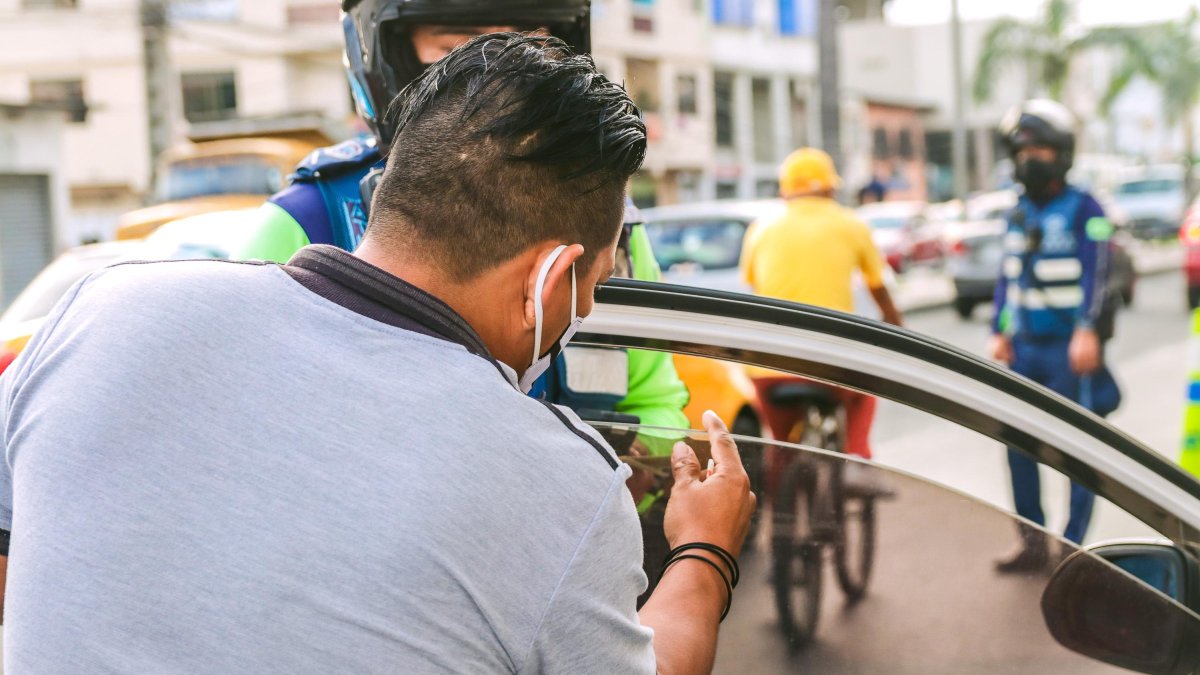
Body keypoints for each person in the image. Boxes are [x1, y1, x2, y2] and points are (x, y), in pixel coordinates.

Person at [0, 35, 755, 672]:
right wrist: (706, 549)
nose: (586, 310)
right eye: (594, 283)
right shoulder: (562, 486)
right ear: (551, 277)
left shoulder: (103, 310)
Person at [232, 0, 690, 452]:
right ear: (385, 54)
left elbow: (659, 407)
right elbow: (249, 422)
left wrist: (612, 471)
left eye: (528, 43)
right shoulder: (310, 219)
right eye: (458, 46)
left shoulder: (609, 225)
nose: (497, 70)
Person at [989, 99, 1122, 573]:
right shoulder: (1017, 213)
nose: (1030, 158)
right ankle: (1032, 542)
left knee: (1077, 453)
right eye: (1022, 149)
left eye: (1040, 147)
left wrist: (1088, 330)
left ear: (1061, 152)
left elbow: (1100, 272)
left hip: (1069, 351)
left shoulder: (1087, 207)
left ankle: (1071, 549)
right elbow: (1008, 280)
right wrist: (999, 331)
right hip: (1024, 352)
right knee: (1018, 447)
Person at [739, 148, 902, 471]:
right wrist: (895, 323)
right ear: (830, 187)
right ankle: (856, 456)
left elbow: (756, 286)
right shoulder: (850, 223)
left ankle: (778, 495)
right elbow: (877, 284)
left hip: (768, 368)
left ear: (785, 189)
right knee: (865, 388)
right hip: (830, 363)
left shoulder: (761, 228)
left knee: (780, 446)